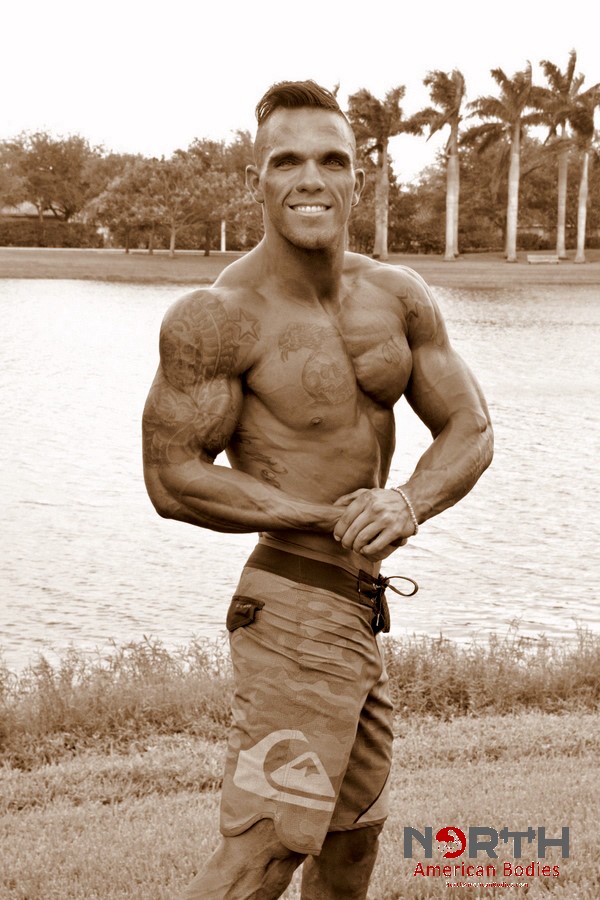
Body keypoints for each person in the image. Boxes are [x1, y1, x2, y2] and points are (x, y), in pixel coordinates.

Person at [142, 80, 493, 899]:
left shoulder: (396, 296)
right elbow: (172, 478)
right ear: (257, 180)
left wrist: (405, 502)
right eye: (287, 161)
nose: (311, 179)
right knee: (266, 850)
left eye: (332, 160)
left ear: (357, 179)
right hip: (293, 608)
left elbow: (470, 427)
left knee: (351, 841)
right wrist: (325, 517)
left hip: (358, 610)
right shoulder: (219, 315)